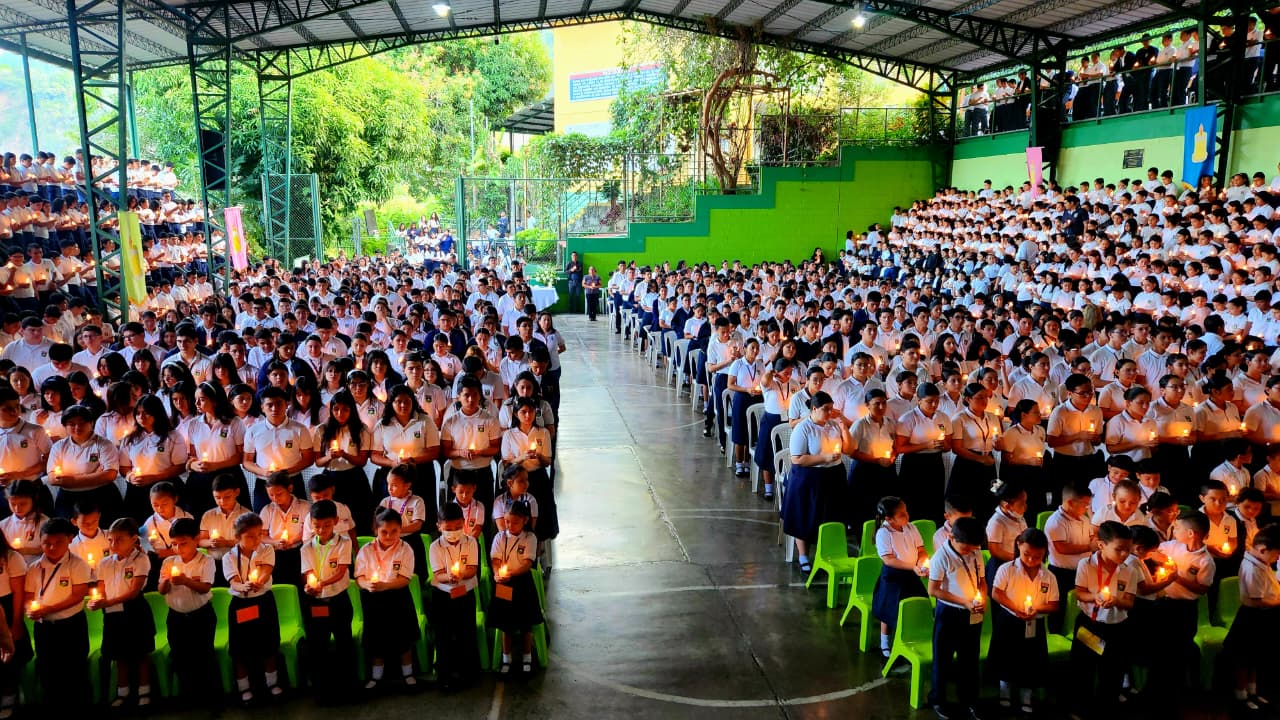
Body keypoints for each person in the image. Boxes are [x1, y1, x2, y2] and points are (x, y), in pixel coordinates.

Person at [988, 528, 1059, 715]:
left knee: (1031, 662)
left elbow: (1053, 604)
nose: (1030, 560)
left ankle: (1026, 696)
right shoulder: (1006, 569)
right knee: (1006, 659)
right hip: (1009, 621)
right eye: (1027, 554)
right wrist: (1015, 608)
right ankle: (1005, 693)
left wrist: (1036, 610)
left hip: (1033, 623)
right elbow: (996, 593)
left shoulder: (1049, 576)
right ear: (1019, 545)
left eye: (1037, 557)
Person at [1071, 521, 1138, 714]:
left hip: (1117, 628)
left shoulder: (1129, 570)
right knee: (1084, 670)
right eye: (1119, 549)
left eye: (1128, 549)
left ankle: (1107, 708)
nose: (1125, 554)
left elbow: (1130, 603)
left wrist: (1116, 600)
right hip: (1090, 625)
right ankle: (1080, 708)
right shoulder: (1086, 564)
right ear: (1101, 545)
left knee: (1113, 672)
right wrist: (1096, 597)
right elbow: (1080, 593)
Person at [25, 517, 92, 709]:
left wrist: (49, 609)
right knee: (47, 670)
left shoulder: (77, 564)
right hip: (45, 628)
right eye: (47, 543)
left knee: (75, 669)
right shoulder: (34, 567)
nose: (52, 548)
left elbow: (78, 595)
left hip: (71, 626)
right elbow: (29, 595)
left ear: (69, 539)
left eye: (58, 543)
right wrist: (30, 609)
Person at [90, 517, 156, 708]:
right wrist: (99, 600)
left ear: (134, 538)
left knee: (141, 653)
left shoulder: (141, 559)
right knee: (119, 656)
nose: (113, 544)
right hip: (112, 614)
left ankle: (144, 692)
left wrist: (106, 602)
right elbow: (101, 587)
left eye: (119, 540)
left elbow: (133, 591)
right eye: (110, 540)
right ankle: (123, 692)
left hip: (135, 611)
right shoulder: (104, 563)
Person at [926, 515, 987, 718]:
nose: (970, 551)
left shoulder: (975, 552)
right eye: (966, 548)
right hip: (949, 613)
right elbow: (933, 590)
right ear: (952, 537)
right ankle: (938, 700)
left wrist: (982, 599)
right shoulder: (940, 558)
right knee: (942, 659)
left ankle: (969, 699)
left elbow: (982, 581)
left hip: (972, 612)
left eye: (973, 547)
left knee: (969, 660)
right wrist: (964, 602)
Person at [782, 391, 849, 572]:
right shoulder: (803, 428)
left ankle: (825, 551)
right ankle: (803, 555)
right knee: (804, 517)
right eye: (826, 409)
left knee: (830, 515)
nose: (830, 413)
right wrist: (823, 458)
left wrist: (844, 430)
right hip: (808, 478)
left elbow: (847, 448)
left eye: (831, 409)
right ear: (814, 408)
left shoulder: (833, 425)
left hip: (833, 475)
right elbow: (797, 458)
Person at [222, 511, 283, 703]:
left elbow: (266, 570)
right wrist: (244, 586)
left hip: (263, 601)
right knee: (240, 649)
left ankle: (272, 683)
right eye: (249, 536)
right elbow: (233, 582)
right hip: (241, 603)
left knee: (269, 644)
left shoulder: (266, 549)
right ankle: (244, 688)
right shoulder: (229, 557)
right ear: (237, 537)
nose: (256, 539)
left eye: (258, 534)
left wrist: (259, 581)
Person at [355, 508, 419, 690]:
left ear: (401, 530)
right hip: (373, 599)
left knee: (403, 637)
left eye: (394, 531)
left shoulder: (405, 549)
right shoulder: (366, 550)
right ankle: (376, 677)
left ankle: (408, 673)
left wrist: (386, 585)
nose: (389, 536)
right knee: (377, 639)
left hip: (397, 597)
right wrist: (367, 585)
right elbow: (359, 576)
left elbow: (405, 578)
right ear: (376, 530)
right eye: (384, 531)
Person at [298, 499, 356, 700]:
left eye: (326, 525)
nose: (321, 530)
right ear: (310, 524)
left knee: (344, 643)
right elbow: (308, 573)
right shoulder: (306, 548)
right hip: (316, 603)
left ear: (336, 521)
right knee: (317, 645)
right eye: (316, 526)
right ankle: (321, 689)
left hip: (339, 600)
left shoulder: (344, 542)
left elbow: (341, 571)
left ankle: (348, 687)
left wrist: (322, 583)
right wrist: (309, 586)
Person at [157, 517, 218, 705]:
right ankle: (187, 693)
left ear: (196, 539)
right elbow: (161, 590)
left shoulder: (206, 560)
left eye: (183, 543)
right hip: (176, 617)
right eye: (174, 544)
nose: (178, 548)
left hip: (201, 616)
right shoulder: (169, 561)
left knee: (203, 654)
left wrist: (185, 581)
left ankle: (208, 694)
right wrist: (167, 581)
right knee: (180, 655)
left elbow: (205, 587)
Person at [1224, 523, 1280, 713]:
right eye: (1276, 554)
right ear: (1263, 549)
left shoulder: (1262, 563)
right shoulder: (1252, 568)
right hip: (1251, 618)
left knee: (1256, 657)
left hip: (1262, 618)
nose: (1277, 558)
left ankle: (1253, 691)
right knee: (1244, 658)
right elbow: (1257, 601)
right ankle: (1241, 695)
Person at [428, 503, 480, 690]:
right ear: (439, 526)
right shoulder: (435, 547)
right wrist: (449, 577)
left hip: (465, 594)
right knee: (443, 635)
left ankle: (468, 672)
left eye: (457, 527)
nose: (453, 532)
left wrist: (461, 575)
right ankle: (445, 674)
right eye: (448, 529)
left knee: (466, 633)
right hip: (443, 595)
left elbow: (473, 569)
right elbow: (438, 573)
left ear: (464, 523)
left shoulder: (471, 542)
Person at [869, 496, 928, 661]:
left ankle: (910, 638)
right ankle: (885, 641)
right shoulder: (884, 533)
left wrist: (922, 562)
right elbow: (889, 559)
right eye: (901, 514)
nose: (907, 516)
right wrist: (913, 567)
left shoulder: (911, 528)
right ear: (889, 518)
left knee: (914, 605)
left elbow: (921, 549)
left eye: (906, 511)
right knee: (889, 610)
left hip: (912, 574)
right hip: (893, 576)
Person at [488, 499, 542, 676]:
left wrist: (510, 573)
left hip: (522, 583)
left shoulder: (530, 538)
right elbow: (495, 560)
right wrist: (497, 573)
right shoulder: (499, 537)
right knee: (506, 624)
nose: (510, 525)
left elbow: (527, 564)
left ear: (525, 520)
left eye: (515, 522)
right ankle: (506, 658)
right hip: (504, 583)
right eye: (507, 521)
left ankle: (527, 657)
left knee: (526, 624)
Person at [1045, 480, 1095, 633]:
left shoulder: (1085, 519)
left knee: (1079, 606)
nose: (1087, 508)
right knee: (1060, 608)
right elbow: (1061, 548)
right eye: (1084, 504)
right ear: (1070, 502)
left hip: (1082, 571)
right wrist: (1088, 547)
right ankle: (1057, 635)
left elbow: (1092, 537)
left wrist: (1094, 543)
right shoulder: (1056, 521)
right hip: (1061, 573)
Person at [258, 471, 309, 588]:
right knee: (279, 584)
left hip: (298, 552)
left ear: (290, 488)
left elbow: (307, 530)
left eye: (279, 494)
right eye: (271, 495)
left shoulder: (304, 506)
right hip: (276, 553)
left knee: (300, 585)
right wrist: (275, 542)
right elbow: (261, 535)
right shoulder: (267, 510)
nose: (275, 498)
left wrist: (292, 541)